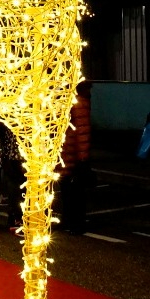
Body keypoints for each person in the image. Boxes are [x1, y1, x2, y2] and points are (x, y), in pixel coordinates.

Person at [55, 80, 94, 235]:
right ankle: (69, 220)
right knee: (66, 189)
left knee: (75, 190)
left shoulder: (78, 102)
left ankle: (76, 222)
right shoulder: (70, 100)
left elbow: (82, 130)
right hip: (66, 151)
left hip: (72, 152)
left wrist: (83, 158)